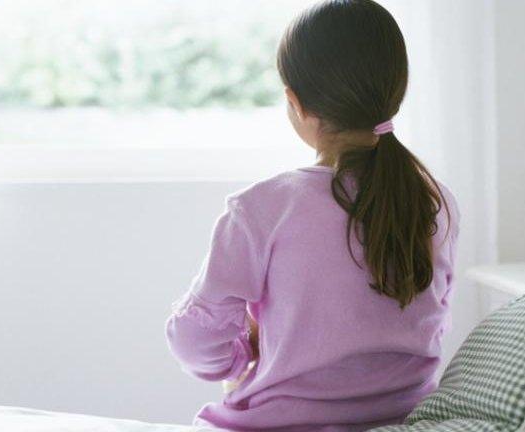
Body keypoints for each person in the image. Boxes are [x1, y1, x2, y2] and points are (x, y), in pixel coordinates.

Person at [165, 1, 460, 430]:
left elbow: (196, 344)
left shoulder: (261, 209)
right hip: (406, 418)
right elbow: (432, 318)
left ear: (295, 102)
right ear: (393, 91)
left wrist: (242, 355)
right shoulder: (436, 201)